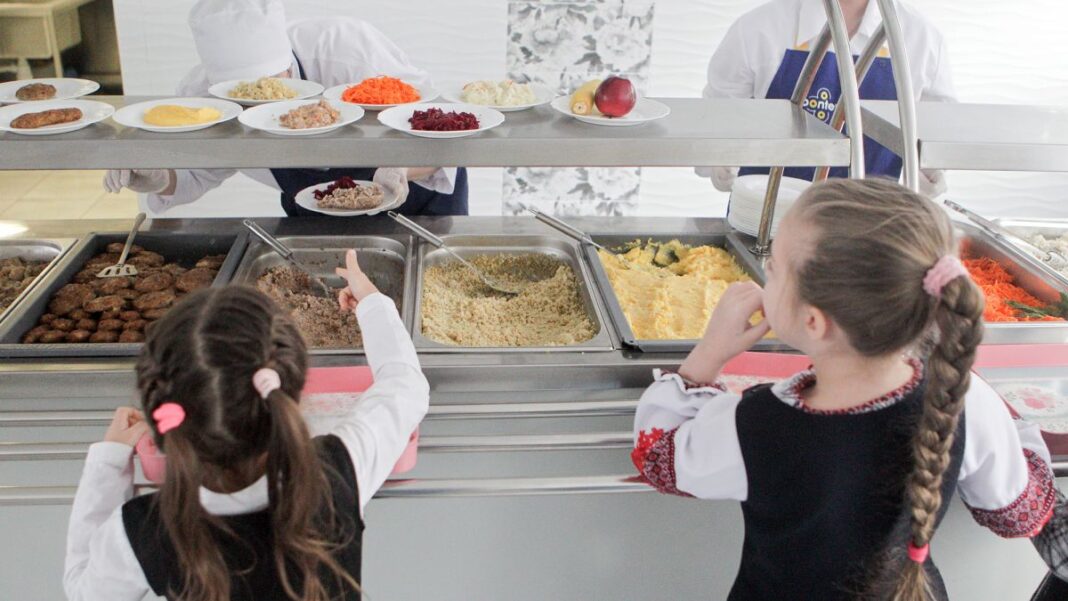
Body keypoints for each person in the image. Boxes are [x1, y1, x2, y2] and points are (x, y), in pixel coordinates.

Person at [632, 179, 1055, 600]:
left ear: (814, 322)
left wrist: (708, 355)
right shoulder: (964, 402)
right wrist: (1010, 423)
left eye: (774, 266)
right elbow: (1019, 515)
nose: (765, 273)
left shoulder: (759, 423)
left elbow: (658, 456)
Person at [63, 250, 429, 601]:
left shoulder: (146, 529)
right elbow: (404, 385)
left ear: (165, 415)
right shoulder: (337, 467)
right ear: (289, 391)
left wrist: (109, 462)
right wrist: (373, 303)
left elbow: (83, 591)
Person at [103, 0, 467, 217]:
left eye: (276, 86)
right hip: (313, 218)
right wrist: (156, 178)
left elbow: (443, 135)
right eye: (244, 98)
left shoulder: (347, 50)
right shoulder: (202, 100)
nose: (265, 106)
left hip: (418, 205)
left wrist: (402, 165)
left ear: (290, 67)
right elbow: (196, 174)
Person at [698, 0, 953, 197]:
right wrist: (719, 161)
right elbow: (713, 124)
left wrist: (931, 167)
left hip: (874, 231)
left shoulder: (922, 40)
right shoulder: (759, 29)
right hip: (767, 224)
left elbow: (939, 132)